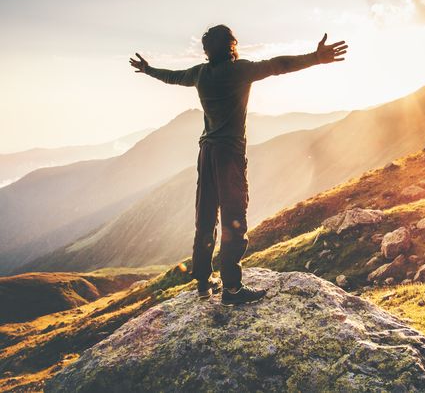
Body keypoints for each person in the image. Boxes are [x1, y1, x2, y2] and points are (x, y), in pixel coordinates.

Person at [130, 25, 347, 305]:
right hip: (228, 154)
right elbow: (278, 65)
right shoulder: (239, 70)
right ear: (232, 44)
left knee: (205, 217)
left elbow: (173, 77)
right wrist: (315, 58)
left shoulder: (199, 73)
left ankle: (203, 284)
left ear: (207, 51)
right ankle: (232, 289)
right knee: (234, 218)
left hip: (205, 152)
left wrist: (148, 70)